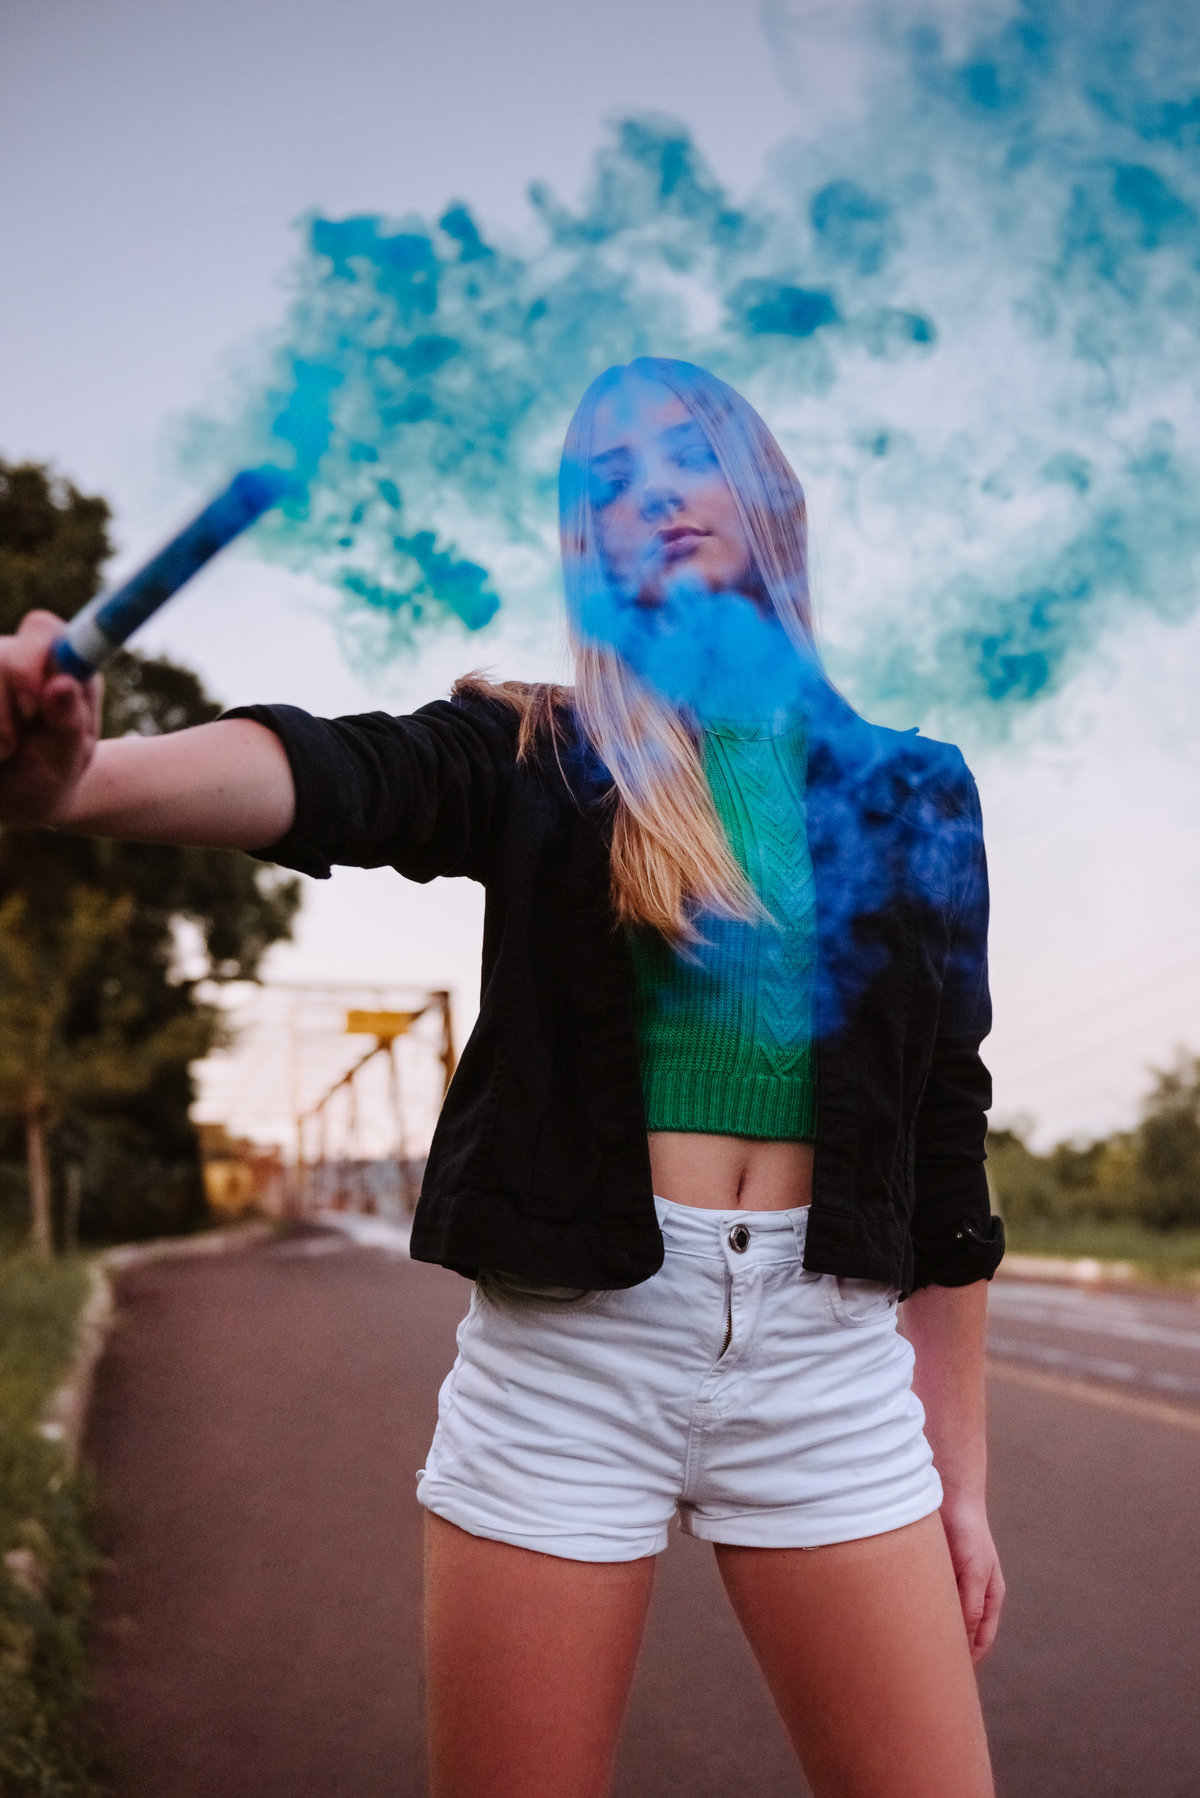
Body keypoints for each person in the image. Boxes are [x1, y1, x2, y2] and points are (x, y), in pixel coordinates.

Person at [0, 358, 1005, 1798]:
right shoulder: (541, 747)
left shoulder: (916, 792)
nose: (648, 494)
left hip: (828, 1372)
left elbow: (948, 1147)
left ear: (768, 491)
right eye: (607, 484)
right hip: (571, 1363)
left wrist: (959, 1476)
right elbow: (331, 774)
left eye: (683, 457)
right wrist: (75, 782)